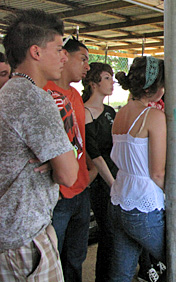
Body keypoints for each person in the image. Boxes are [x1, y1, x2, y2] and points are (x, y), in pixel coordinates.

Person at [0, 9, 78, 281]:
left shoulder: (9, 92)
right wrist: (58, 162)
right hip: (25, 238)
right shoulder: (34, 99)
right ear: (35, 52)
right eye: (58, 48)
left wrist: (51, 161)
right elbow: (69, 174)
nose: (63, 56)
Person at [109, 56, 176, 282]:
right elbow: (157, 173)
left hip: (119, 199)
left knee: (122, 273)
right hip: (143, 204)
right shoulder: (153, 116)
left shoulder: (121, 113)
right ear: (155, 88)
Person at [44, 37, 97, 282]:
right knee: (51, 257)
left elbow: (80, 142)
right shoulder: (43, 92)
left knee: (76, 256)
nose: (87, 66)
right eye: (83, 59)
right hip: (57, 193)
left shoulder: (75, 95)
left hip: (80, 189)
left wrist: (89, 172)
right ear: (63, 56)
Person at [82, 62, 118, 282]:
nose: (111, 82)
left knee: (116, 233)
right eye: (106, 77)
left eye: (112, 77)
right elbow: (95, 155)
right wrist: (112, 183)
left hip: (116, 174)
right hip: (101, 180)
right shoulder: (85, 113)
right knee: (108, 232)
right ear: (93, 83)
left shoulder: (110, 111)